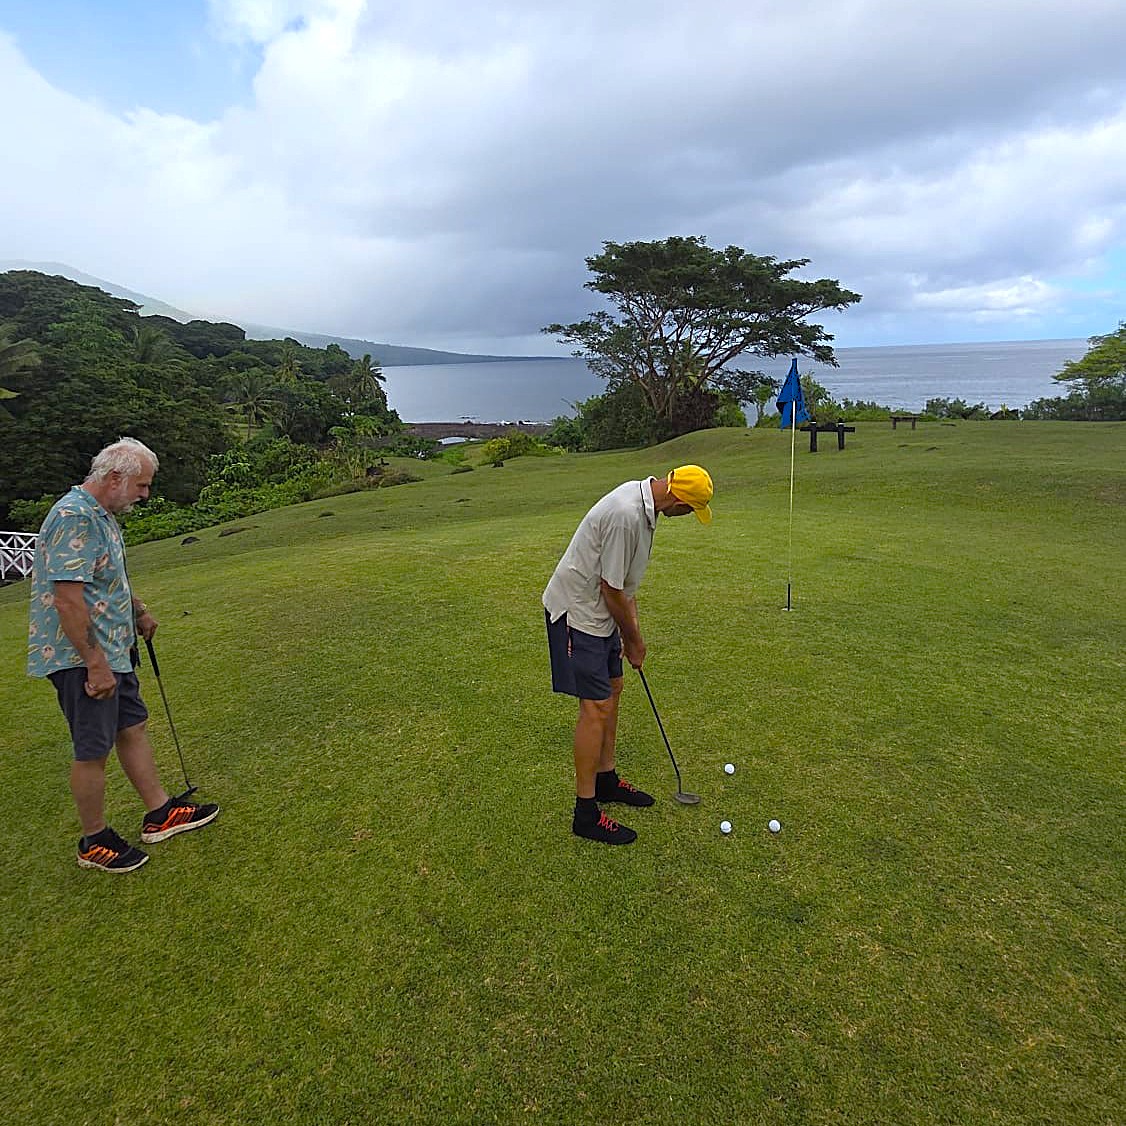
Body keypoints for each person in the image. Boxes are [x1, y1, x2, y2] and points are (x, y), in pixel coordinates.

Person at [27, 437, 219, 873]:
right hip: (83, 657)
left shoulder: (104, 515)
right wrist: (94, 663)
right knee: (92, 748)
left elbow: (105, 578)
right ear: (115, 478)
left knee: (132, 725)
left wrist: (138, 612)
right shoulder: (73, 517)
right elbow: (67, 600)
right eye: (141, 485)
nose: (145, 495)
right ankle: (93, 841)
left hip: (115, 646)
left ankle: (160, 811)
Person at [543, 464, 714, 845]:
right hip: (578, 613)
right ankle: (585, 813)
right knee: (595, 707)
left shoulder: (646, 508)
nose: (686, 517)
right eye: (690, 511)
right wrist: (634, 639)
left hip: (601, 612)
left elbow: (624, 587)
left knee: (614, 688)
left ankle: (605, 779)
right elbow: (610, 588)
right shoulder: (625, 516)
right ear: (680, 501)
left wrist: (631, 632)